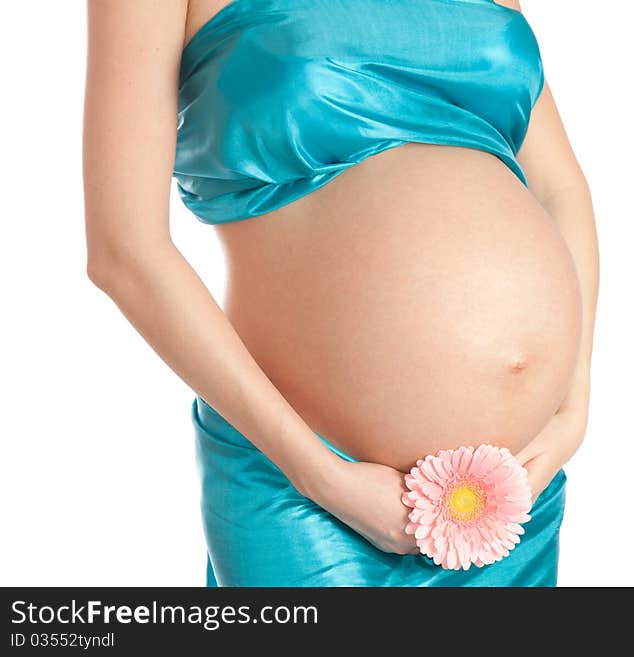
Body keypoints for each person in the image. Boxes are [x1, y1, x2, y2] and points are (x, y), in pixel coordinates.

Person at [83, 0, 599, 586]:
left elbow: (561, 191)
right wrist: (319, 474)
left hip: (508, 491)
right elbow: (124, 253)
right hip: (305, 486)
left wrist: (571, 407)